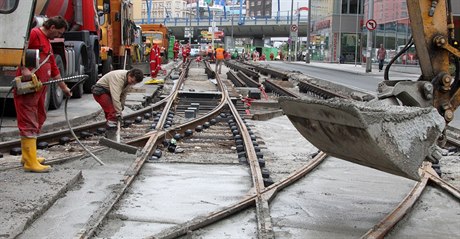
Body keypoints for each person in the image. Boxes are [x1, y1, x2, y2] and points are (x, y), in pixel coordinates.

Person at [14, 16, 72, 173]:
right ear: (52, 27)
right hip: (29, 87)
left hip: (39, 89)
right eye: (58, 33)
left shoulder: (47, 41)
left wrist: (64, 87)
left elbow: (54, 68)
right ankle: (30, 162)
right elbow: (19, 49)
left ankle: (28, 156)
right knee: (29, 120)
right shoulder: (33, 34)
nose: (59, 36)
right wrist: (24, 68)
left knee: (39, 117)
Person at [92, 69, 144, 139]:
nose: (132, 84)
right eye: (132, 81)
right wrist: (118, 112)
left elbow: (123, 95)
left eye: (134, 83)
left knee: (111, 113)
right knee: (113, 112)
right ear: (129, 75)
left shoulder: (128, 82)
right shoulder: (118, 78)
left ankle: (109, 134)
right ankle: (111, 137)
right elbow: (115, 97)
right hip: (100, 91)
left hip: (108, 92)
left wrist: (121, 107)